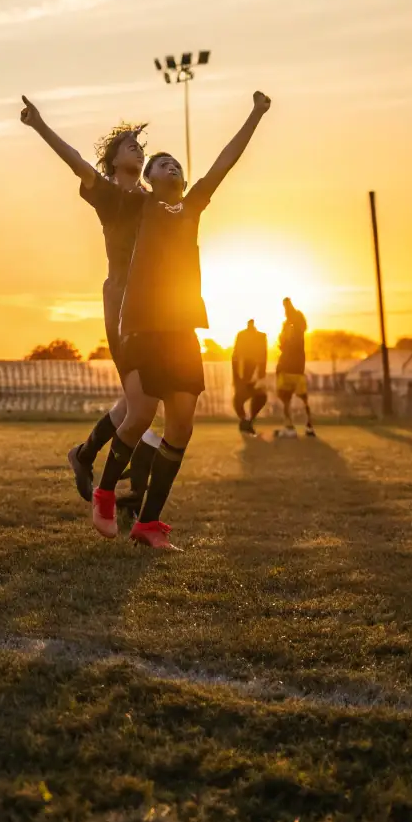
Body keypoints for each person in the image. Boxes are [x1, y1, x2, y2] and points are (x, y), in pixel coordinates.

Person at [91, 92, 272, 550]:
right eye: (160, 162)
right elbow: (92, 175)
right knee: (137, 420)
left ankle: (149, 524)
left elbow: (225, 163)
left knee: (183, 426)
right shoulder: (137, 205)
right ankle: (106, 490)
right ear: (147, 178)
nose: (169, 166)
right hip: (142, 326)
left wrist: (255, 113)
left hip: (182, 329)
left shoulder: (191, 206)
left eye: (174, 163)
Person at [18, 101, 162, 512]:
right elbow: (75, 160)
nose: (137, 149)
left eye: (139, 144)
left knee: (143, 404)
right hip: (122, 303)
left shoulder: (153, 200)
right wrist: (40, 125)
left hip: (156, 307)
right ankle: (125, 488)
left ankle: (85, 456)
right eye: (129, 145)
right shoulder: (107, 193)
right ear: (113, 160)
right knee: (142, 407)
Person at [275, 298, 314, 438]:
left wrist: (288, 305)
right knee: (302, 397)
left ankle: (290, 428)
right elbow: (283, 342)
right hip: (297, 366)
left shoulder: (293, 323)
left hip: (288, 366)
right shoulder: (293, 324)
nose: (285, 312)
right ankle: (308, 426)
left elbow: (286, 341)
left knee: (285, 397)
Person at [232, 318, 268, 435]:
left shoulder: (261, 337)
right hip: (242, 371)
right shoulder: (241, 335)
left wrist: (261, 374)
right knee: (238, 399)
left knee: (261, 396)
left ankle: (248, 421)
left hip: (254, 370)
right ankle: (244, 420)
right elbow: (235, 355)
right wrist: (236, 376)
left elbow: (264, 355)